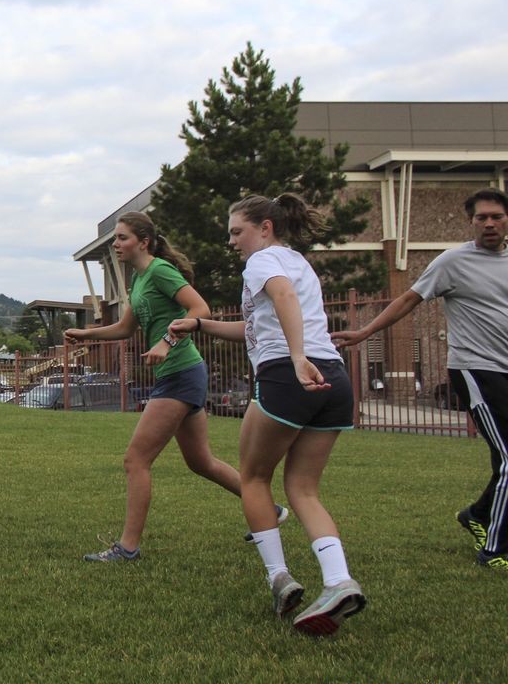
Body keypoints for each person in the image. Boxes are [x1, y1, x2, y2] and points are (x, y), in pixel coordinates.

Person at [171, 194, 365, 636]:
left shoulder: (262, 261)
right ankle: (338, 580)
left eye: (237, 231)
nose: (232, 241)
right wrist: (199, 324)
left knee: (254, 478)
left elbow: (279, 298)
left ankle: (278, 576)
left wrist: (296, 358)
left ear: (265, 227)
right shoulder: (297, 262)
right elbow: (259, 324)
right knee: (303, 489)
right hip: (333, 378)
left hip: (288, 376)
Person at [332, 188, 508, 572]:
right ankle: (494, 548)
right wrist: (364, 333)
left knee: (504, 458)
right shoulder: (452, 262)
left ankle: (478, 514)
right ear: (471, 222)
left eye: (496, 216)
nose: (490, 223)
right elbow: (408, 300)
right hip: (476, 369)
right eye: (482, 218)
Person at [64, 212, 253, 562]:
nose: (116, 245)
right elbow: (125, 328)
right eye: (115, 239)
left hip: (181, 371)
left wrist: (166, 341)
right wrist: (88, 334)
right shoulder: (138, 281)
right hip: (180, 374)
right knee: (202, 462)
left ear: (143, 241)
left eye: (122, 238)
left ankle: (128, 548)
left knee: (136, 460)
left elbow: (201, 309)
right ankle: (267, 510)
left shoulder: (161, 272)